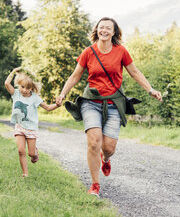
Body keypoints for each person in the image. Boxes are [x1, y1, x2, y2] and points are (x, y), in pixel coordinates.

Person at [56, 17, 162, 197]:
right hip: (91, 102)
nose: (104, 30)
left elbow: (135, 72)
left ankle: (105, 159)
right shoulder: (88, 52)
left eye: (108, 28)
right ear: (97, 30)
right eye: (101, 27)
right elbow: (75, 76)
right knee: (94, 142)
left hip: (114, 103)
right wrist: (62, 93)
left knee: (108, 148)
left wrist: (150, 89)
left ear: (114, 32)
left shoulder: (121, 51)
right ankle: (95, 185)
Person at [5, 67, 61, 177]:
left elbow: (48, 108)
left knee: (30, 153)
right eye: (22, 87)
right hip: (20, 126)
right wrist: (12, 72)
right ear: (18, 84)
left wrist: (57, 105)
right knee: (21, 151)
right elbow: (7, 83)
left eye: (28, 88)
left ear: (32, 88)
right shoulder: (16, 94)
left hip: (31, 128)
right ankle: (25, 173)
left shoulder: (35, 98)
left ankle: (35, 153)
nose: (24, 90)